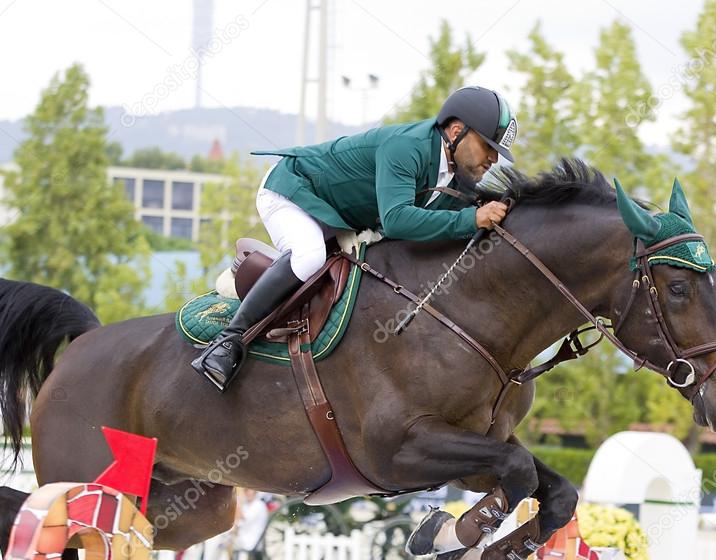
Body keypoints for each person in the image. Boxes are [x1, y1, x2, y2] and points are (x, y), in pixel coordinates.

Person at [191, 85, 518, 390]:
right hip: (293, 191)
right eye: (488, 146)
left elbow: (443, 226)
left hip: (340, 217)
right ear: (456, 131)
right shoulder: (409, 147)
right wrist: (471, 218)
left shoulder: (458, 177)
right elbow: (396, 221)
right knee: (309, 256)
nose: (493, 158)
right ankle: (227, 342)